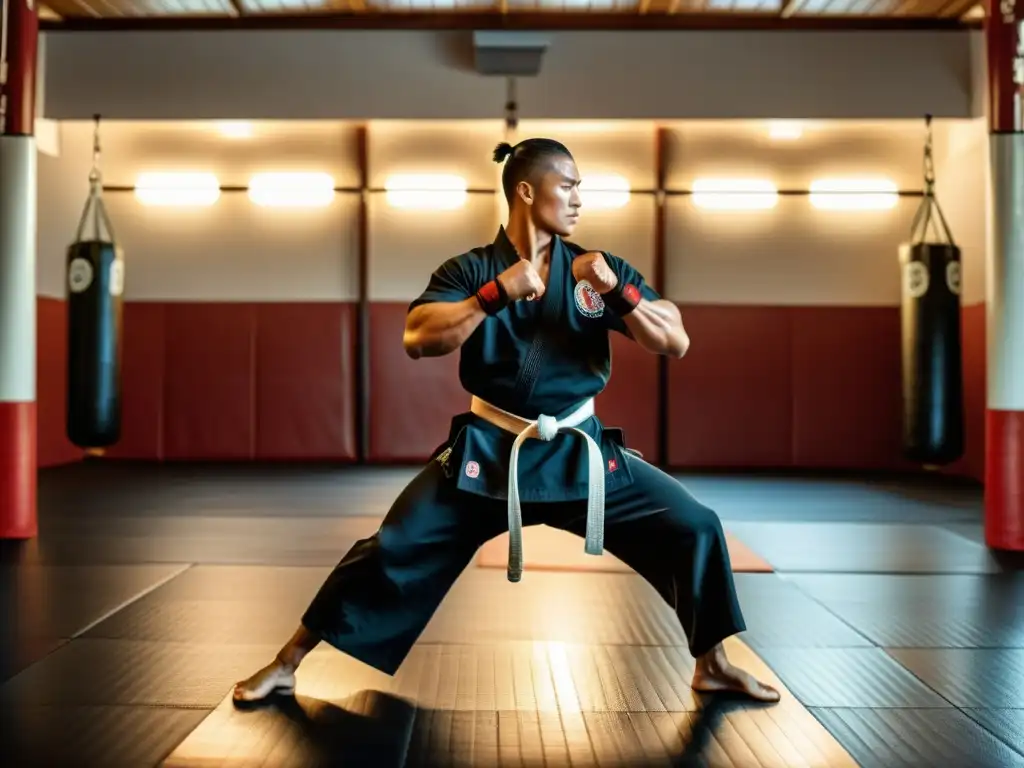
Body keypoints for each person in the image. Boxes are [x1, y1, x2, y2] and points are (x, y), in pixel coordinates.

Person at [232, 138, 781, 706]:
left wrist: (623, 292)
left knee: (694, 524)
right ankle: (286, 662)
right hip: (488, 455)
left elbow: (676, 339)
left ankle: (713, 664)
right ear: (526, 190)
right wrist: (493, 295)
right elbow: (419, 337)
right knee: (392, 548)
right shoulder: (470, 269)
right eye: (567, 185)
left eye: (578, 188)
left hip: (579, 451)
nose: (577, 199)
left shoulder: (597, 270)